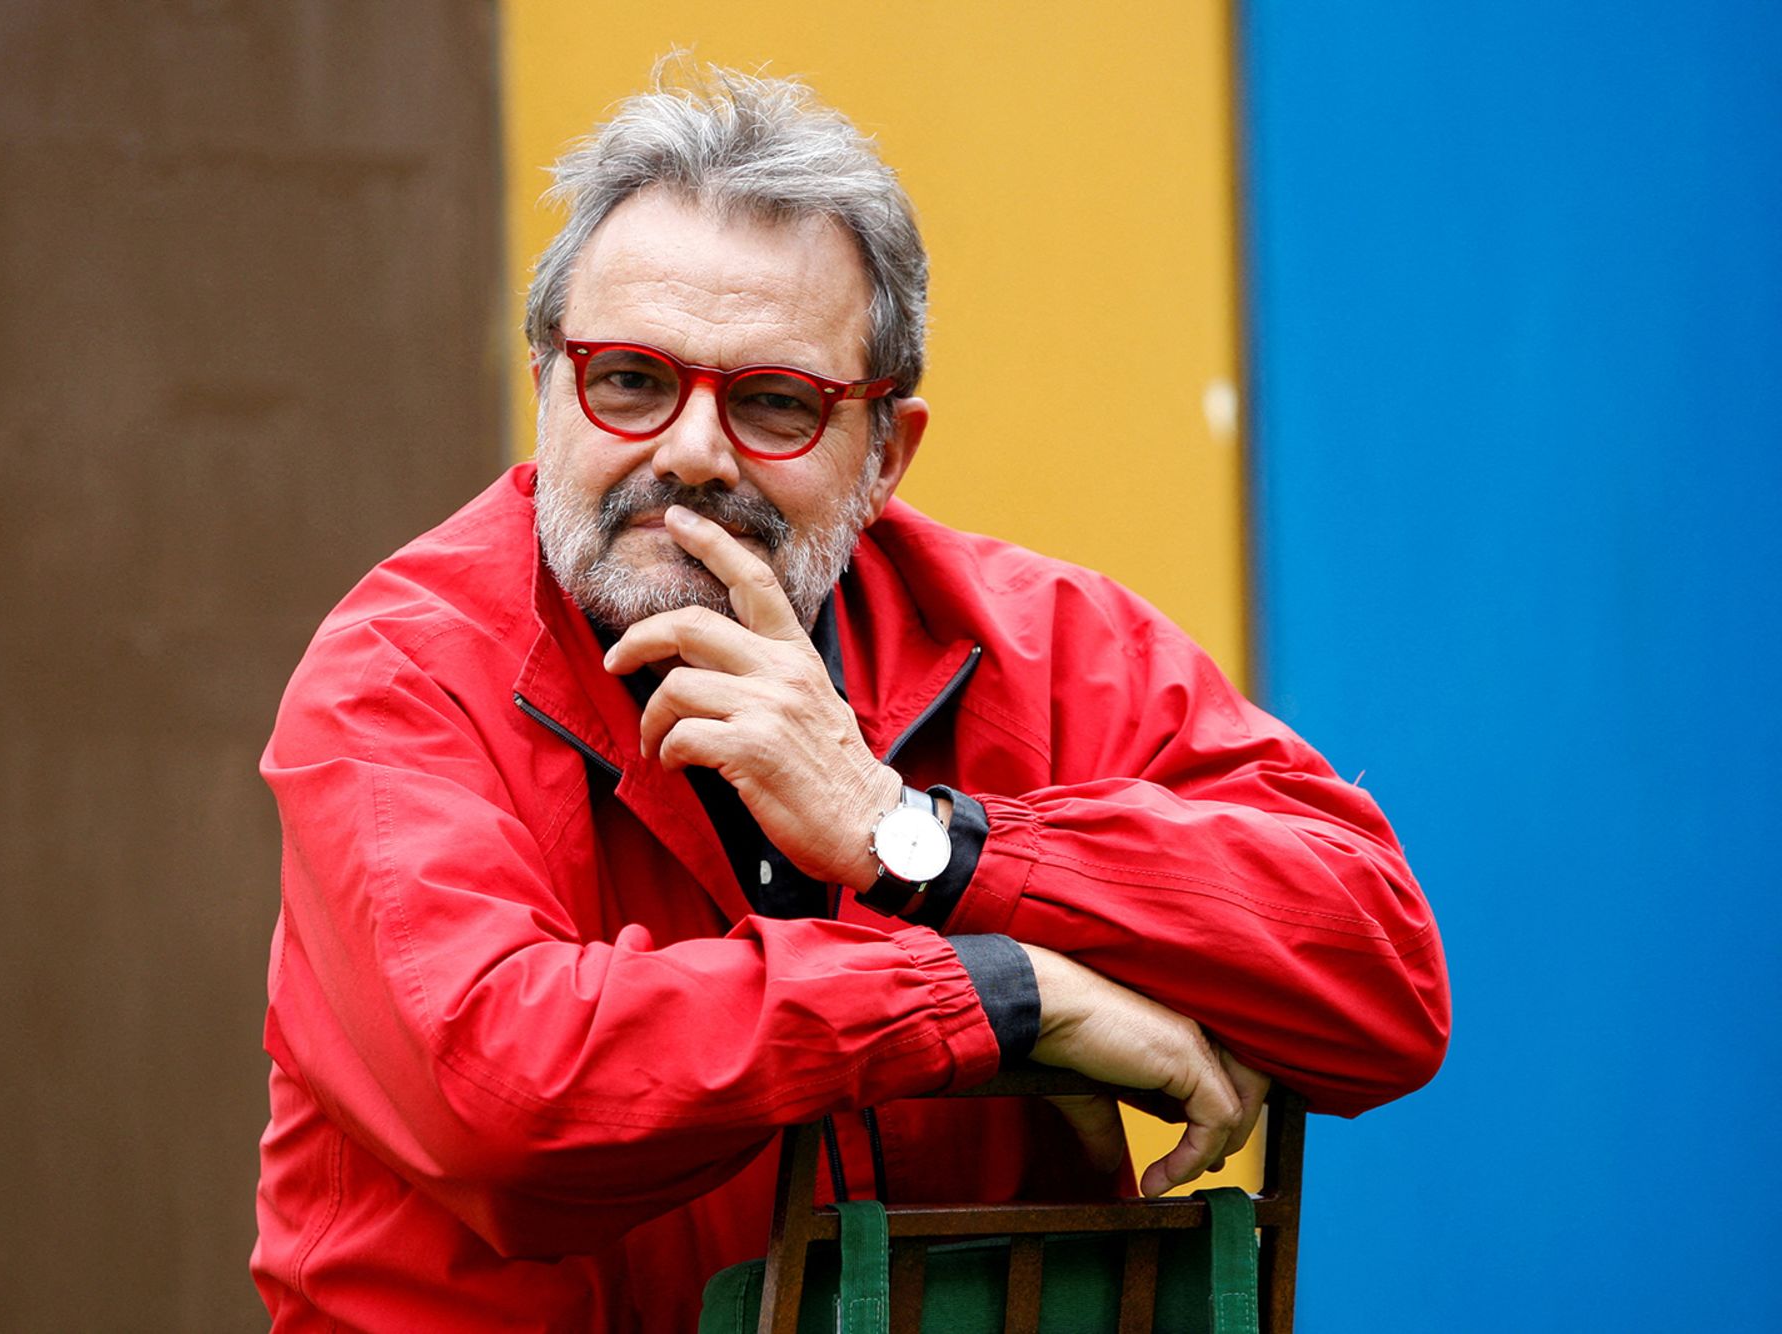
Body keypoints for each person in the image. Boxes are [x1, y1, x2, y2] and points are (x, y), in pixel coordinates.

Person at [252, 66, 1449, 1332]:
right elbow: (500, 1087)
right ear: (549, 384)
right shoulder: (401, 669)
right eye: (630, 381)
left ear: (885, 452)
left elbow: (1380, 976)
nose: (692, 450)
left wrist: (913, 836)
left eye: (774, 403)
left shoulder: (1032, 640)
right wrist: (998, 992)